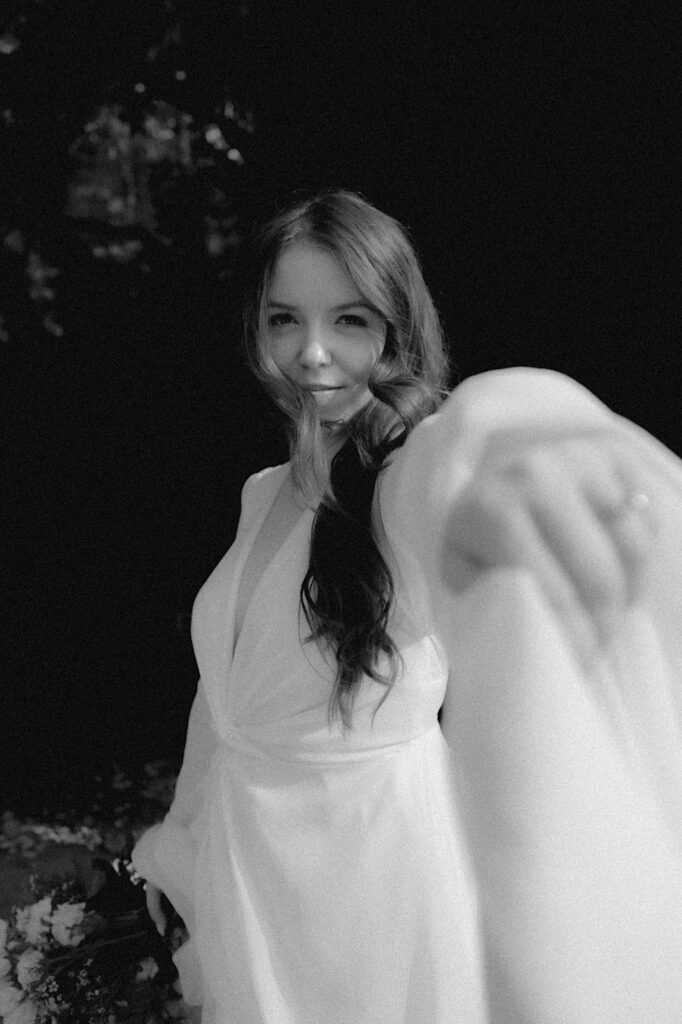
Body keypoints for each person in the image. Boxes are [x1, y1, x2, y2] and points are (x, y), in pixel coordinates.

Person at [132, 190, 682, 1023]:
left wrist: (520, 455)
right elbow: (224, 704)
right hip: (249, 882)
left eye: (349, 321)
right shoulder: (260, 496)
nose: (312, 354)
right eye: (285, 320)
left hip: (373, 887)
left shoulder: (402, 474)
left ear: (395, 330)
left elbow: (461, 458)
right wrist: (176, 851)